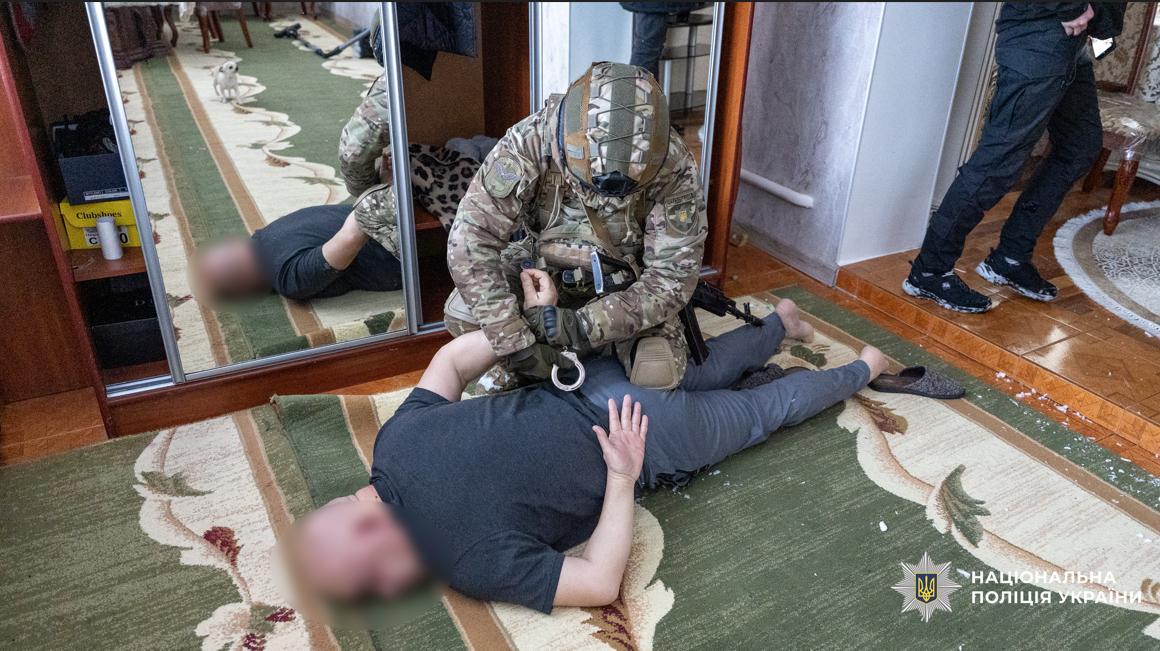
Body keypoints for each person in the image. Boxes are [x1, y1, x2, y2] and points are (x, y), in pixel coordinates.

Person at [290, 268, 890, 612]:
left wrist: (622, 478)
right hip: (596, 380)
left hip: (642, 430)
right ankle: (782, 323)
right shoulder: (395, 446)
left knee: (761, 409)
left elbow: (601, 585)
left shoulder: (466, 563)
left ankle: (865, 366)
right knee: (701, 367)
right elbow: (449, 363)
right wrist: (526, 325)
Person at [439, 61, 708, 391]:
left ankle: (585, 349)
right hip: (539, 273)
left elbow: (672, 276)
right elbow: (470, 239)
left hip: (626, 285)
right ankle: (538, 360)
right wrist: (516, 343)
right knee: (464, 312)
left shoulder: (672, 163)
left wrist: (583, 325)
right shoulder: (531, 140)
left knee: (657, 370)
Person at [904, 2, 1125, 313]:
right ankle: (929, 271)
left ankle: (1010, 256)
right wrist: (1071, 6)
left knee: (1079, 146)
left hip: (1071, 46)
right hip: (1040, 37)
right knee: (997, 164)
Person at [193, 204, 402, 302]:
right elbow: (351, 236)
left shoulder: (270, 242)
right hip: (400, 248)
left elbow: (349, 231)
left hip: (395, 224)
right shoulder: (286, 274)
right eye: (233, 266)